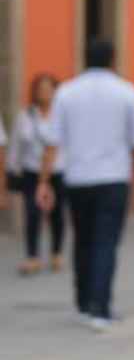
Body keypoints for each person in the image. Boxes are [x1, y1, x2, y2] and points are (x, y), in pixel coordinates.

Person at [35, 40, 134, 332]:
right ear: (113, 59)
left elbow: (52, 141)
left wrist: (44, 180)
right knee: (106, 242)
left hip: (77, 177)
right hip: (113, 177)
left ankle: (84, 302)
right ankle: (100, 306)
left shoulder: (66, 92)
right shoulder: (126, 92)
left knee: (83, 239)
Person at [8, 74, 69, 275]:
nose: (44, 93)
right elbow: (16, 144)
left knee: (57, 214)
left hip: (57, 171)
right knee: (32, 213)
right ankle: (32, 255)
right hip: (31, 172)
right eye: (40, 89)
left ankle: (56, 252)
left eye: (48, 88)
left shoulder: (62, 116)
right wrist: (12, 168)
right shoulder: (25, 116)